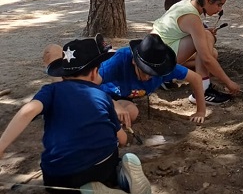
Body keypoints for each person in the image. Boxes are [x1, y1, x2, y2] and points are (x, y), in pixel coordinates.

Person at [0, 35, 152, 194]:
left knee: (54, 183)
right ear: (95, 72)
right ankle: (120, 173)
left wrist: (2, 145)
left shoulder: (50, 91)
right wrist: (121, 136)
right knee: (112, 162)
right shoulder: (103, 97)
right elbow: (123, 139)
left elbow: (27, 111)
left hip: (60, 175)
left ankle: (86, 191)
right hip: (102, 168)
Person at [43, 35, 207, 127]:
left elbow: (196, 78)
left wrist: (201, 111)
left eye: (153, 73)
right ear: (135, 62)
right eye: (145, 72)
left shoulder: (163, 67)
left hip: (122, 97)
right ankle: (56, 68)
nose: (149, 77)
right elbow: (88, 86)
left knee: (131, 113)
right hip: (99, 90)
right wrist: (112, 105)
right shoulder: (118, 61)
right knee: (69, 96)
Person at [152, 0, 240, 104]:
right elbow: (206, 59)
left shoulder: (185, 4)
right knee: (207, 42)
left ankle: (168, 77)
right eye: (219, 4)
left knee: (211, 50)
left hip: (153, 53)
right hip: (159, 60)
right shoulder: (192, 17)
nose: (219, 9)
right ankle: (202, 91)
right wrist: (229, 82)